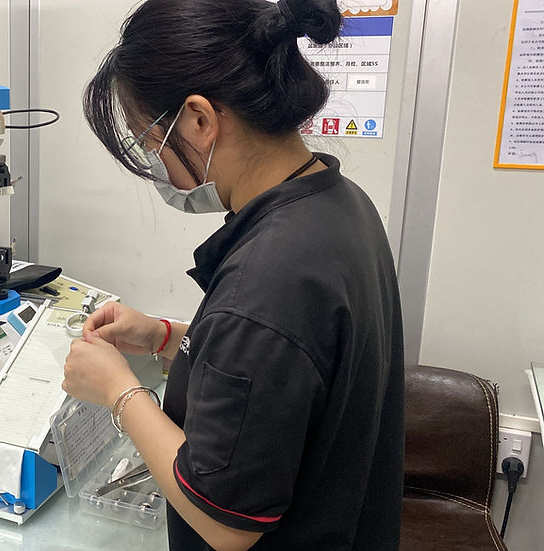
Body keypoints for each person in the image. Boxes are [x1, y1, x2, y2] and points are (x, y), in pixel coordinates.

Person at [61, 0, 404, 549]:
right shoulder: (337, 202)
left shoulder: (267, 282)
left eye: (151, 141)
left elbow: (227, 522)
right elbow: (287, 380)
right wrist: (166, 338)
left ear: (199, 119)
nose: (157, 166)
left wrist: (119, 390)